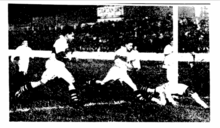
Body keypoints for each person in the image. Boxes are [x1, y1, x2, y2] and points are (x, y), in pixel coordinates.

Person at [15, 25, 80, 104]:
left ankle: (22, 89)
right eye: (72, 35)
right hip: (55, 65)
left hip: (56, 65)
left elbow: (63, 53)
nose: (73, 37)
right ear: (67, 35)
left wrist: (69, 54)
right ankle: (75, 101)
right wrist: (71, 58)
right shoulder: (60, 41)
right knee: (70, 81)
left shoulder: (64, 42)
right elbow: (59, 55)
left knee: (42, 82)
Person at [143, 52, 209, 108]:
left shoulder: (191, 92)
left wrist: (206, 106)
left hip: (167, 88)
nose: (191, 92)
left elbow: (198, 100)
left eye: (192, 91)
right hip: (164, 89)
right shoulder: (181, 88)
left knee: (156, 92)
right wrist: (173, 102)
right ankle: (150, 97)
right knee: (163, 103)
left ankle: (147, 92)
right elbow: (167, 92)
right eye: (191, 91)